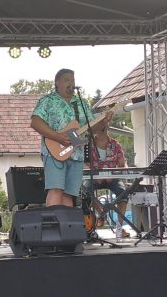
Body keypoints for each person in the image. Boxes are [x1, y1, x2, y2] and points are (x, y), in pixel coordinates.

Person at [30, 69, 111, 207]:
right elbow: (35, 122)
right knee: (56, 189)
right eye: (67, 80)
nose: (71, 83)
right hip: (54, 152)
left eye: (72, 80)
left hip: (77, 154)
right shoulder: (48, 100)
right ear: (57, 83)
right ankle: (53, 220)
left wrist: (104, 120)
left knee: (69, 194)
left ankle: (65, 220)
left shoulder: (81, 103)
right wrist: (57, 136)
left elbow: (92, 128)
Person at [83, 128, 129, 236]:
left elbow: (122, 164)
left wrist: (117, 171)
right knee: (85, 192)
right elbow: (84, 164)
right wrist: (94, 173)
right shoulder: (88, 145)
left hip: (112, 178)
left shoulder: (115, 144)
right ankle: (101, 213)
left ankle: (119, 228)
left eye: (105, 124)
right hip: (94, 177)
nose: (103, 127)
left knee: (123, 194)